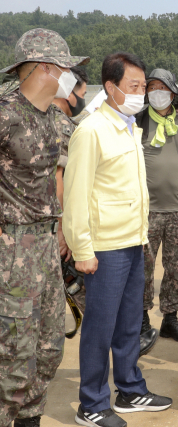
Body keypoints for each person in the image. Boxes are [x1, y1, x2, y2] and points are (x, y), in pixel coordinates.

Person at [63, 52, 172, 427]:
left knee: (129, 322)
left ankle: (129, 389)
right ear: (110, 88)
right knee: (100, 326)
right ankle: (92, 402)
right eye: (135, 87)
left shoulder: (128, 126)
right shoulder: (91, 131)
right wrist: (82, 249)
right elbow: (75, 194)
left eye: (143, 87)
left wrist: (140, 237)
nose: (141, 94)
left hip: (131, 242)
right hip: (104, 248)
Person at [0, 28, 88, 427]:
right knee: (12, 356)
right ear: (44, 68)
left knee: (50, 344)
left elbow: (90, 156)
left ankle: (31, 419)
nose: (71, 76)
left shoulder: (56, 119)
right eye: (67, 68)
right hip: (10, 249)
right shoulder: (5, 114)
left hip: (46, 246)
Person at [135, 68, 178, 347]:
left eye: (162, 87)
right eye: (152, 87)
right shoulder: (136, 122)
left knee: (176, 268)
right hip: (146, 211)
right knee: (143, 269)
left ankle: (170, 318)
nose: (156, 92)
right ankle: (142, 320)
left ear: (173, 93)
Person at [51, 66, 89, 312]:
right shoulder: (63, 126)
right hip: (53, 224)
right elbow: (58, 180)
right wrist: (63, 228)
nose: (83, 100)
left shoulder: (37, 115)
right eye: (83, 92)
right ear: (69, 93)